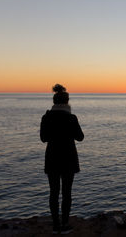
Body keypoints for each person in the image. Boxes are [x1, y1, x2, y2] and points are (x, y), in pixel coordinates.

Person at [40, 84, 84, 234]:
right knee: (66, 193)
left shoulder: (46, 117)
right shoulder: (71, 118)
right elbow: (80, 137)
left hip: (52, 158)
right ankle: (65, 224)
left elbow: (43, 138)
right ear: (67, 102)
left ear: (54, 101)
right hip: (68, 159)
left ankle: (55, 226)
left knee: (53, 193)